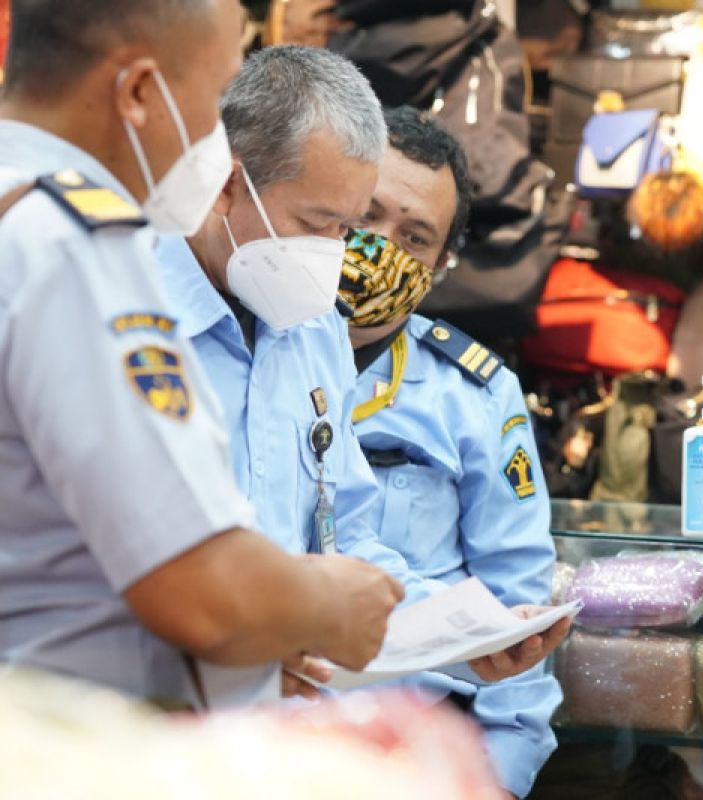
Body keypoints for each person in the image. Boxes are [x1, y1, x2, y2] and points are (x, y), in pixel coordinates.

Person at [0, 0, 403, 705]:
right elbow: (199, 588)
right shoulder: (74, 245)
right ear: (139, 93)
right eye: (216, 96)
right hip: (70, 735)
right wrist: (322, 606)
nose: (221, 136)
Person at [157, 46, 567, 702]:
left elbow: (344, 536)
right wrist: (257, 635)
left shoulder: (312, 325)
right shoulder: (122, 317)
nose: (338, 256)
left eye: (345, 228)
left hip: (271, 739)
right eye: (323, 224)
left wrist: (467, 636)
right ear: (226, 185)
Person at [340, 106, 559, 800]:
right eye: (365, 215)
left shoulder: (475, 393)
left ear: (440, 266)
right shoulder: (235, 351)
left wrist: (490, 783)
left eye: (414, 237)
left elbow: (520, 608)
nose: (379, 246)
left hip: (418, 755)